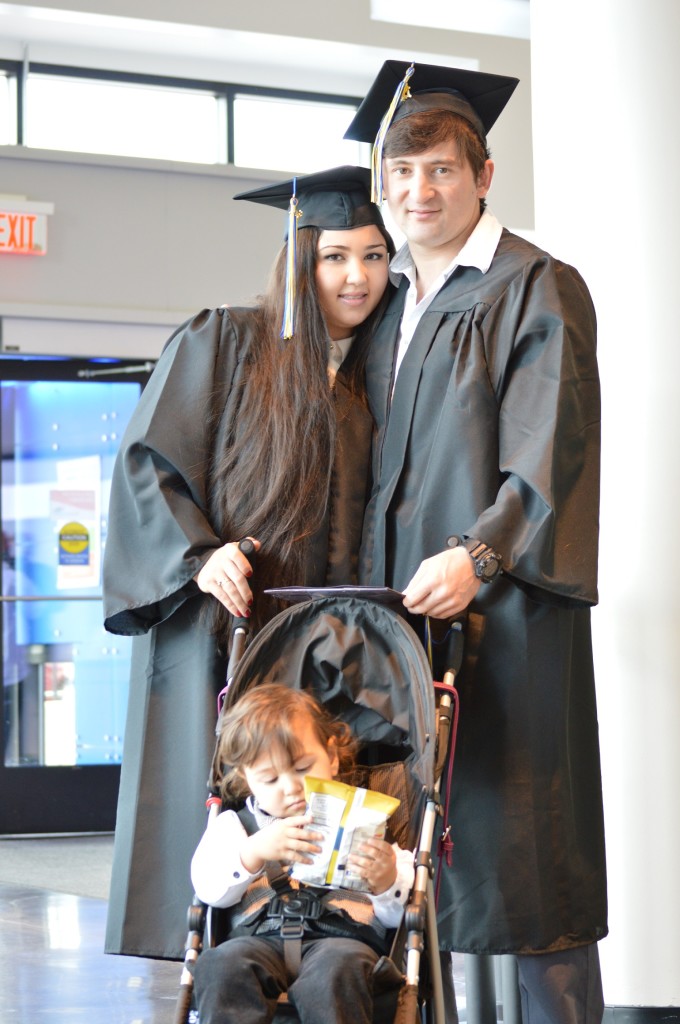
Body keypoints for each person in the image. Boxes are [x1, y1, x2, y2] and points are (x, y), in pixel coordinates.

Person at [344, 62, 607, 1023]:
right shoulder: (393, 308)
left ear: (484, 175)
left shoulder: (534, 286)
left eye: (441, 171)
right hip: (408, 628)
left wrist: (481, 555)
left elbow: (552, 453)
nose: (420, 192)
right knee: (423, 869)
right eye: (401, 175)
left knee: (528, 864)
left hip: (507, 621)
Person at [102, 166, 395, 960]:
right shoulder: (227, 339)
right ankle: (215, 959)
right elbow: (148, 462)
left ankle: (316, 951)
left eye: (374, 257)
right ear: (301, 260)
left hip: (319, 636)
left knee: (313, 794)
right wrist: (200, 555)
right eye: (336, 256)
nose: (357, 277)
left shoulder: (378, 379)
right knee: (220, 801)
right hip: (221, 619)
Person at [190, 682, 413, 1024]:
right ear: (248, 781)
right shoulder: (237, 827)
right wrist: (253, 852)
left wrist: (386, 881)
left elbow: (406, 913)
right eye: (270, 779)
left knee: (341, 970)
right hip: (258, 937)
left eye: (302, 768)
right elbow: (208, 890)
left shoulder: (364, 818)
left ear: (332, 758)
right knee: (221, 964)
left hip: (341, 939)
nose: (291, 787)